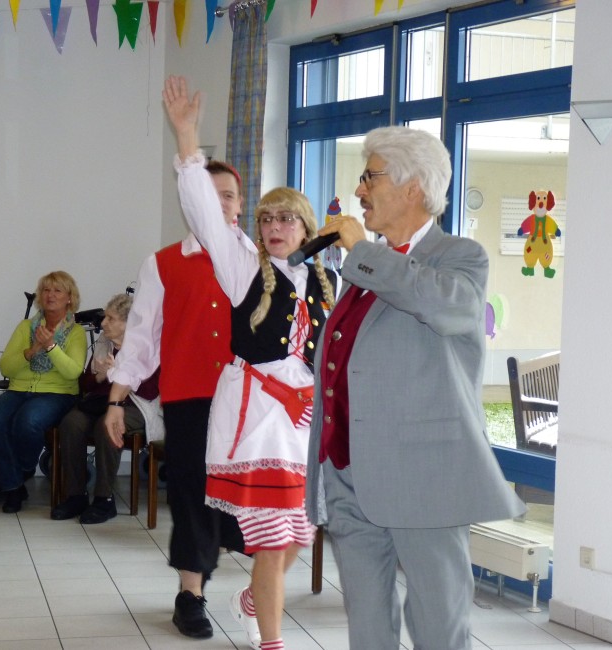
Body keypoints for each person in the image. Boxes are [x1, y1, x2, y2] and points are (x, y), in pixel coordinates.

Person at [304, 125, 526, 649]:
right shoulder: (368, 265)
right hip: (349, 470)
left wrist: (365, 253)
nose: (359, 190)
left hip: (424, 474)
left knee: (436, 621)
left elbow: (446, 307)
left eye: (370, 177)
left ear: (413, 188)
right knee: (366, 621)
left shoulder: (459, 257)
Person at [162, 75, 337, 650]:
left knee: (299, 531)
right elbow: (206, 215)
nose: (275, 228)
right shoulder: (241, 267)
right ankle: (272, 642)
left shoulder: (325, 280)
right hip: (257, 417)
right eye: (266, 219)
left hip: (302, 421)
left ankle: (254, 600)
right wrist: (187, 139)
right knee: (271, 538)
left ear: (306, 227)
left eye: (286, 219)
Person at [104, 157, 255, 638]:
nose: (219, 204)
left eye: (227, 195)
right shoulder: (163, 263)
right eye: (208, 195)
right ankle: (191, 594)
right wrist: (115, 400)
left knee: (249, 495)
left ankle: (260, 591)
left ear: (240, 203)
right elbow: (142, 339)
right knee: (192, 491)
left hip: (250, 401)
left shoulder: (259, 260)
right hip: (189, 397)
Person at [50, 292, 160, 524]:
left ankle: (104, 499)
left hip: (136, 406)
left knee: (106, 426)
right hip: (99, 402)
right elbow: (84, 384)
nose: (103, 323)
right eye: (105, 317)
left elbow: (150, 391)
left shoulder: (148, 347)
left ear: (129, 323)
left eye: (111, 318)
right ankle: (76, 495)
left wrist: (119, 372)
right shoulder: (104, 343)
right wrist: (100, 376)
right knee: (71, 423)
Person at [0, 270, 86, 514]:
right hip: (19, 389)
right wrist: (30, 352)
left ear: (69, 298)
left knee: (28, 420)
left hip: (58, 393)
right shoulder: (26, 327)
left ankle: (21, 471)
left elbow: (73, 372)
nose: (50, 295)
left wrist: (50, 346)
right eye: (46, 290)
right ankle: (14, 487)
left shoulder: (76, 332)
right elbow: (6, 367)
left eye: (57, 290)